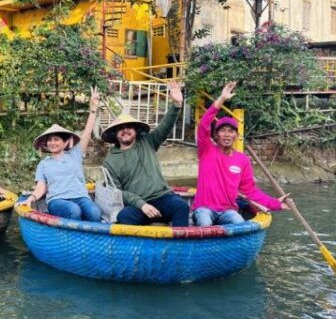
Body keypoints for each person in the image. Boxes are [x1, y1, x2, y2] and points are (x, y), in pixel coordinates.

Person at [192, 81, 288, 226]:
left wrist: (275, 204)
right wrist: (221, 99)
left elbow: (251, 191)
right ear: (216, 135)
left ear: (236, 136)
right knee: (204, 223)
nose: (226, 135)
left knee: (239, 222)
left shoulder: (242, 160)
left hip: (228, 211)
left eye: (231, 131)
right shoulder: (207, 150)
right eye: (222, 131)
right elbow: (204, 124)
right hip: (204, 209)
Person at [102, 80, 189, 226]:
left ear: (136, 131)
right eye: (120, 128)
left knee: (181, 207)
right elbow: (116, 192)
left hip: (162, 197)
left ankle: (179, 241)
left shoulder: (148, 142)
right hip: (138, 205)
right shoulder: (110, 161)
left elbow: (165, 126)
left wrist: (176, 104)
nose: (125, 130)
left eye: (129, 127)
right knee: (124, 217)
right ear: (115, 134)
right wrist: (141, 204)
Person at [25, 88, 102, 221]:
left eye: (56, 139)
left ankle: (91, 233)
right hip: (57, 200)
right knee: (73, 210)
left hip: (81, 197)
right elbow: (41, 188)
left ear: (65, 142)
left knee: (95, 212)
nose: (52, 143)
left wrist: (93, 109)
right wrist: (31, 198)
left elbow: (87, 134)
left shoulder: (75, 154)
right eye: (49, 140)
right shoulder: (43, 164)